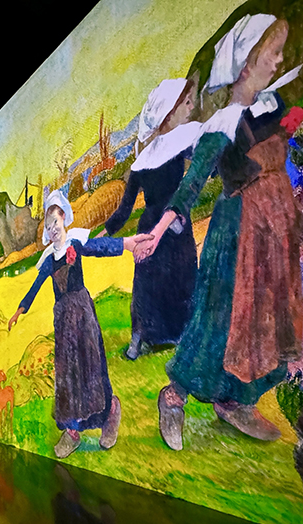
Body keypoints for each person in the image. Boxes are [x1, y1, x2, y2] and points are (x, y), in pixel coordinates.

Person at [146, 15, 303, 448]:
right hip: (236, 235)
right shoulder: (222, 125)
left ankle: (235, 401)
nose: (278, 60)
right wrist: (158, 231)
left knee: (261, 321)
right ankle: (174, 396)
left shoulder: (271, 106)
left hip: (272, 232)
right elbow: (192, 183)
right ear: (246, 64)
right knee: (219, 321)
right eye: (271, 53)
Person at [9, 191, 151, 458]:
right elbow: (35, 287)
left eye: (55, 222)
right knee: (67, 374)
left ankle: (109, 413)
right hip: (63, 320)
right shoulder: (48, 259)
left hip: (82, 315)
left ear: (63, 218)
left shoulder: (76, 243)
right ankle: (72, 430)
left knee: (91, 366)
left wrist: (128, 243)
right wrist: (19, 310)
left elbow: (100, 247)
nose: (52, 229)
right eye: (48, 225)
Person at [97, 77, 202, 360]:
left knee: (169, 281)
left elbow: (125, 209)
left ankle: (152, 339)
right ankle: (149, 337)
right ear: (168, 113)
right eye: (185, 103)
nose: (191, 108)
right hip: (170, 225)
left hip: (166, 224)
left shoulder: (169, 149)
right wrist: (106, 233)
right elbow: (124, 209)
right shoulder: (151, 158)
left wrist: (108, 231)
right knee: (157, 283)